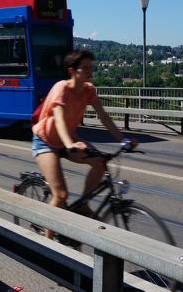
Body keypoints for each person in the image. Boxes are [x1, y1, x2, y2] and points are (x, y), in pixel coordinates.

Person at [31, 50, 132, 239]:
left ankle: (84, 204)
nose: (90, 72)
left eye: (91, 68)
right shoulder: (61, 88)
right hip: (46, 141)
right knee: (60, 195)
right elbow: (59, 119)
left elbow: (103, 116)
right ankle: (47, 244)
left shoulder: (88, 90)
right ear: (72, 70)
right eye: (85, 68)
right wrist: (70, 144)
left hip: (69, 140)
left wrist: (123, 139)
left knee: (100, 162)